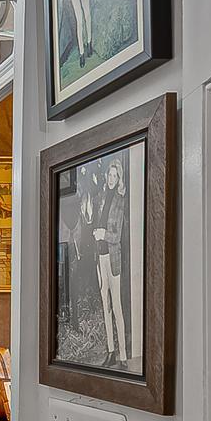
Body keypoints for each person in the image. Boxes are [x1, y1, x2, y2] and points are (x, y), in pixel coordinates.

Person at [93, 153, 128, 369]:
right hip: (100, 257)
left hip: (113, 258)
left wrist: (103, 234)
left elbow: (117, 236)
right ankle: (111, 352)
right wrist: (96, 233)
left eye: (115, 175)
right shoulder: (102, 197)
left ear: (119, 177)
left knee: (116, 306)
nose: (112, 178)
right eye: (110, 174)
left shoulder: (120, 200)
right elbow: (97, 224)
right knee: (105, 305)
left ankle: (123, 356)